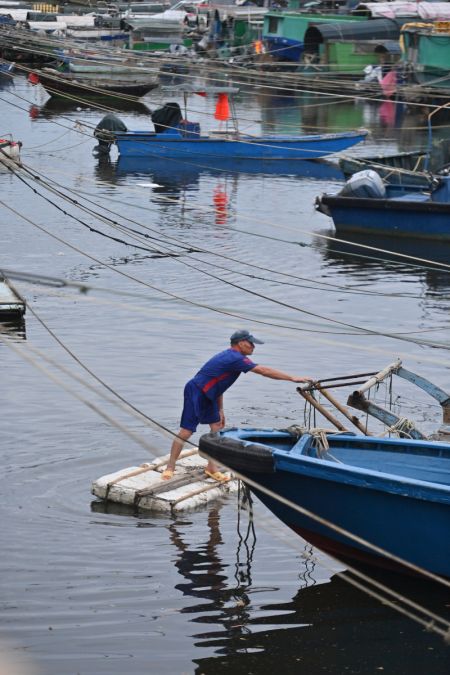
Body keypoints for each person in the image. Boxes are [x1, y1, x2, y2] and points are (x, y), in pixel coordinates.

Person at [162, 329, 313, 481]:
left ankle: (211, 468)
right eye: (251, 343)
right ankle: (170, 466)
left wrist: (220, 409)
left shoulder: (234, 358)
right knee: (187, 431)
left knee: (217, 427)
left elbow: (219, 386)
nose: (253, 347)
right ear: (241, 343)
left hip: (211, 393)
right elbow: (263, 371)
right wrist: (292, 378)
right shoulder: (235, 358)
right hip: (197, 391)